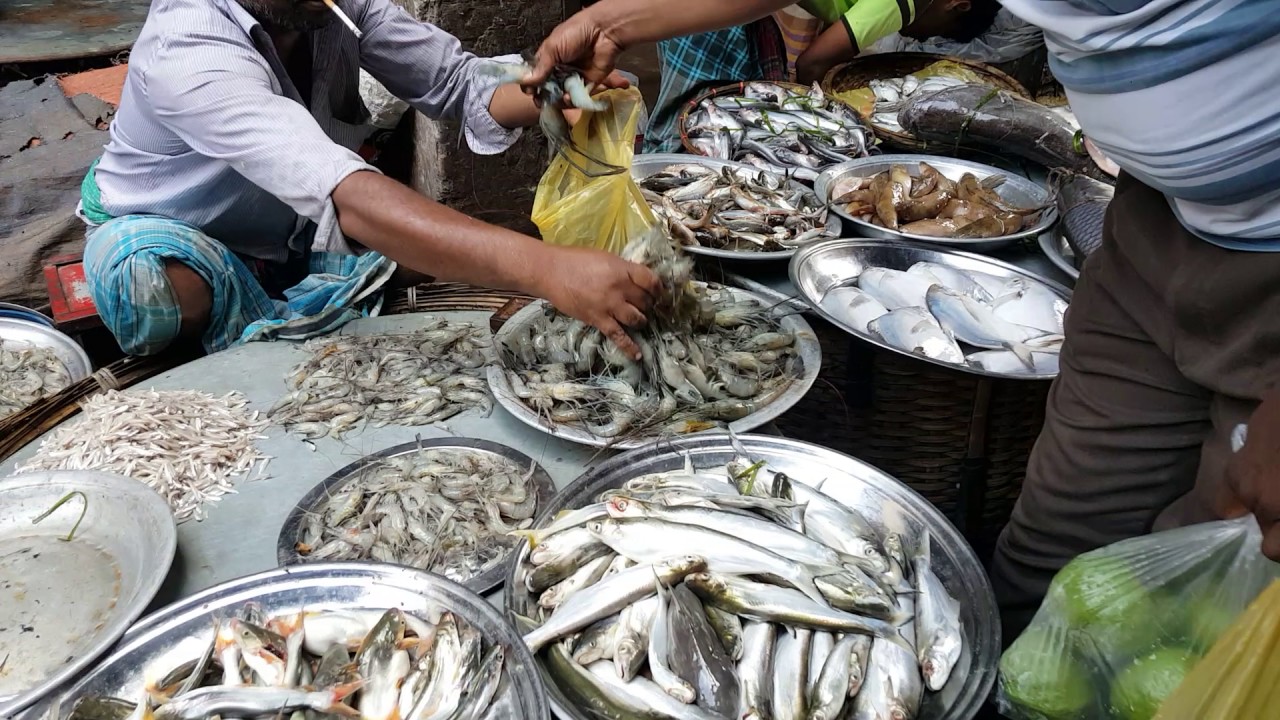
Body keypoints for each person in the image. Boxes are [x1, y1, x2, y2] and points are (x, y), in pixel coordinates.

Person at [533, 0, 1280, 638]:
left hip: (1265, 271)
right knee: (1051, 552)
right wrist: (614, 22)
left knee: (1216, 589)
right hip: (1151, 221)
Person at [82, 0, 660, 360]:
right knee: (164, 291)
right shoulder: (187, 48)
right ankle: (205, 368)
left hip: (289, 224)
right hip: (176, 227)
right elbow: (348, 194)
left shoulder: (336, 9)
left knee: (434, 254)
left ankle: (290, 296)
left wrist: (562, 92)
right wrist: (548, 269)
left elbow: (457, 81)